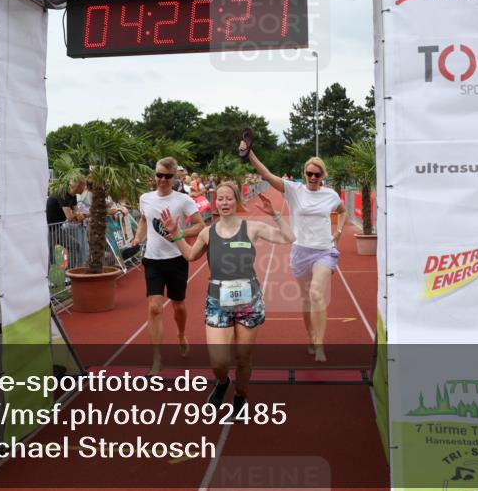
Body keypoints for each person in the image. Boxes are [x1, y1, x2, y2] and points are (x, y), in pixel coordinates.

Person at [160, 182, 294, 411]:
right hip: (217, 301)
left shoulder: (252, 228)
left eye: (228, 198)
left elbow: (288, 238)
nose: (224, 202)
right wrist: (175, 234)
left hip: (248, 300)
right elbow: (191, 255)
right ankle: (223, 381)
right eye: (220, 199)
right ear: (215, 202)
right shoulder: (207, 232)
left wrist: (276, 215)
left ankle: (241, 397)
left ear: (236, 201)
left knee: (243, 358)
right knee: (218, 361)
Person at [246, 145, 346, 362]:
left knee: (316, 294)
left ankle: (319, 344)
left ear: (322, 176)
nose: (312, 177)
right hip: (300, 250)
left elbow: (343, 211)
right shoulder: (294, 190)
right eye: (309, 173)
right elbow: (266, 174)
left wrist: (338, 231)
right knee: (306, 299)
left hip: (324, 251)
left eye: (316, 174)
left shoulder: (331, 195)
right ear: (304, 174)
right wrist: (250, 153)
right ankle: (310, 335)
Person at [132, 157, 206, 374]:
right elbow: (145, 220)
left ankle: (181, 334)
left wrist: (179, 233)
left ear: (175, 178)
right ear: (154, 175)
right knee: (154, 308)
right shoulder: (145, 198)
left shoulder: (183, 200)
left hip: (176, 259)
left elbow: (201, 225)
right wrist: (137, 239)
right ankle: (157, 358)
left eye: (167, 176)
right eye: (159, 175)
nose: (162, 180)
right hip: (153, 259)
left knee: (178, 305)